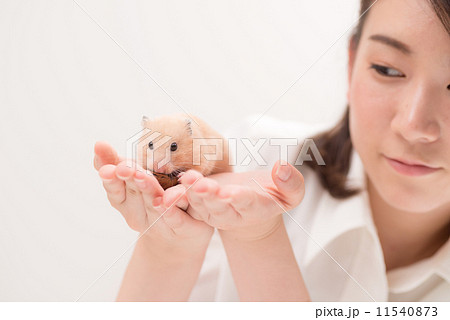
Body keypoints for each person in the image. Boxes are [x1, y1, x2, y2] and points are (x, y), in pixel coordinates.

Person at [93, 0, 450, 301]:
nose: (414, 125)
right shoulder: (253, 162)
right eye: (386, 69)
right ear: (352, 61)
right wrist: (167, 247)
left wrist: (259, 240)